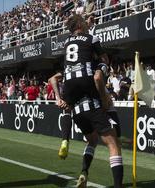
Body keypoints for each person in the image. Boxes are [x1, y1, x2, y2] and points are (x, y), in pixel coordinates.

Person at [50, 15, 123, 188]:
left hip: (71, 91)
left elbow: (53, 78)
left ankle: (79, 166)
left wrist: (59, 98)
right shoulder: (93, 45)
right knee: (113, 142)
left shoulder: (68, 43)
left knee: (91, 139)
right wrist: (104, 65)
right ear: (81, 25)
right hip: (90, 95)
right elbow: (98, 76)